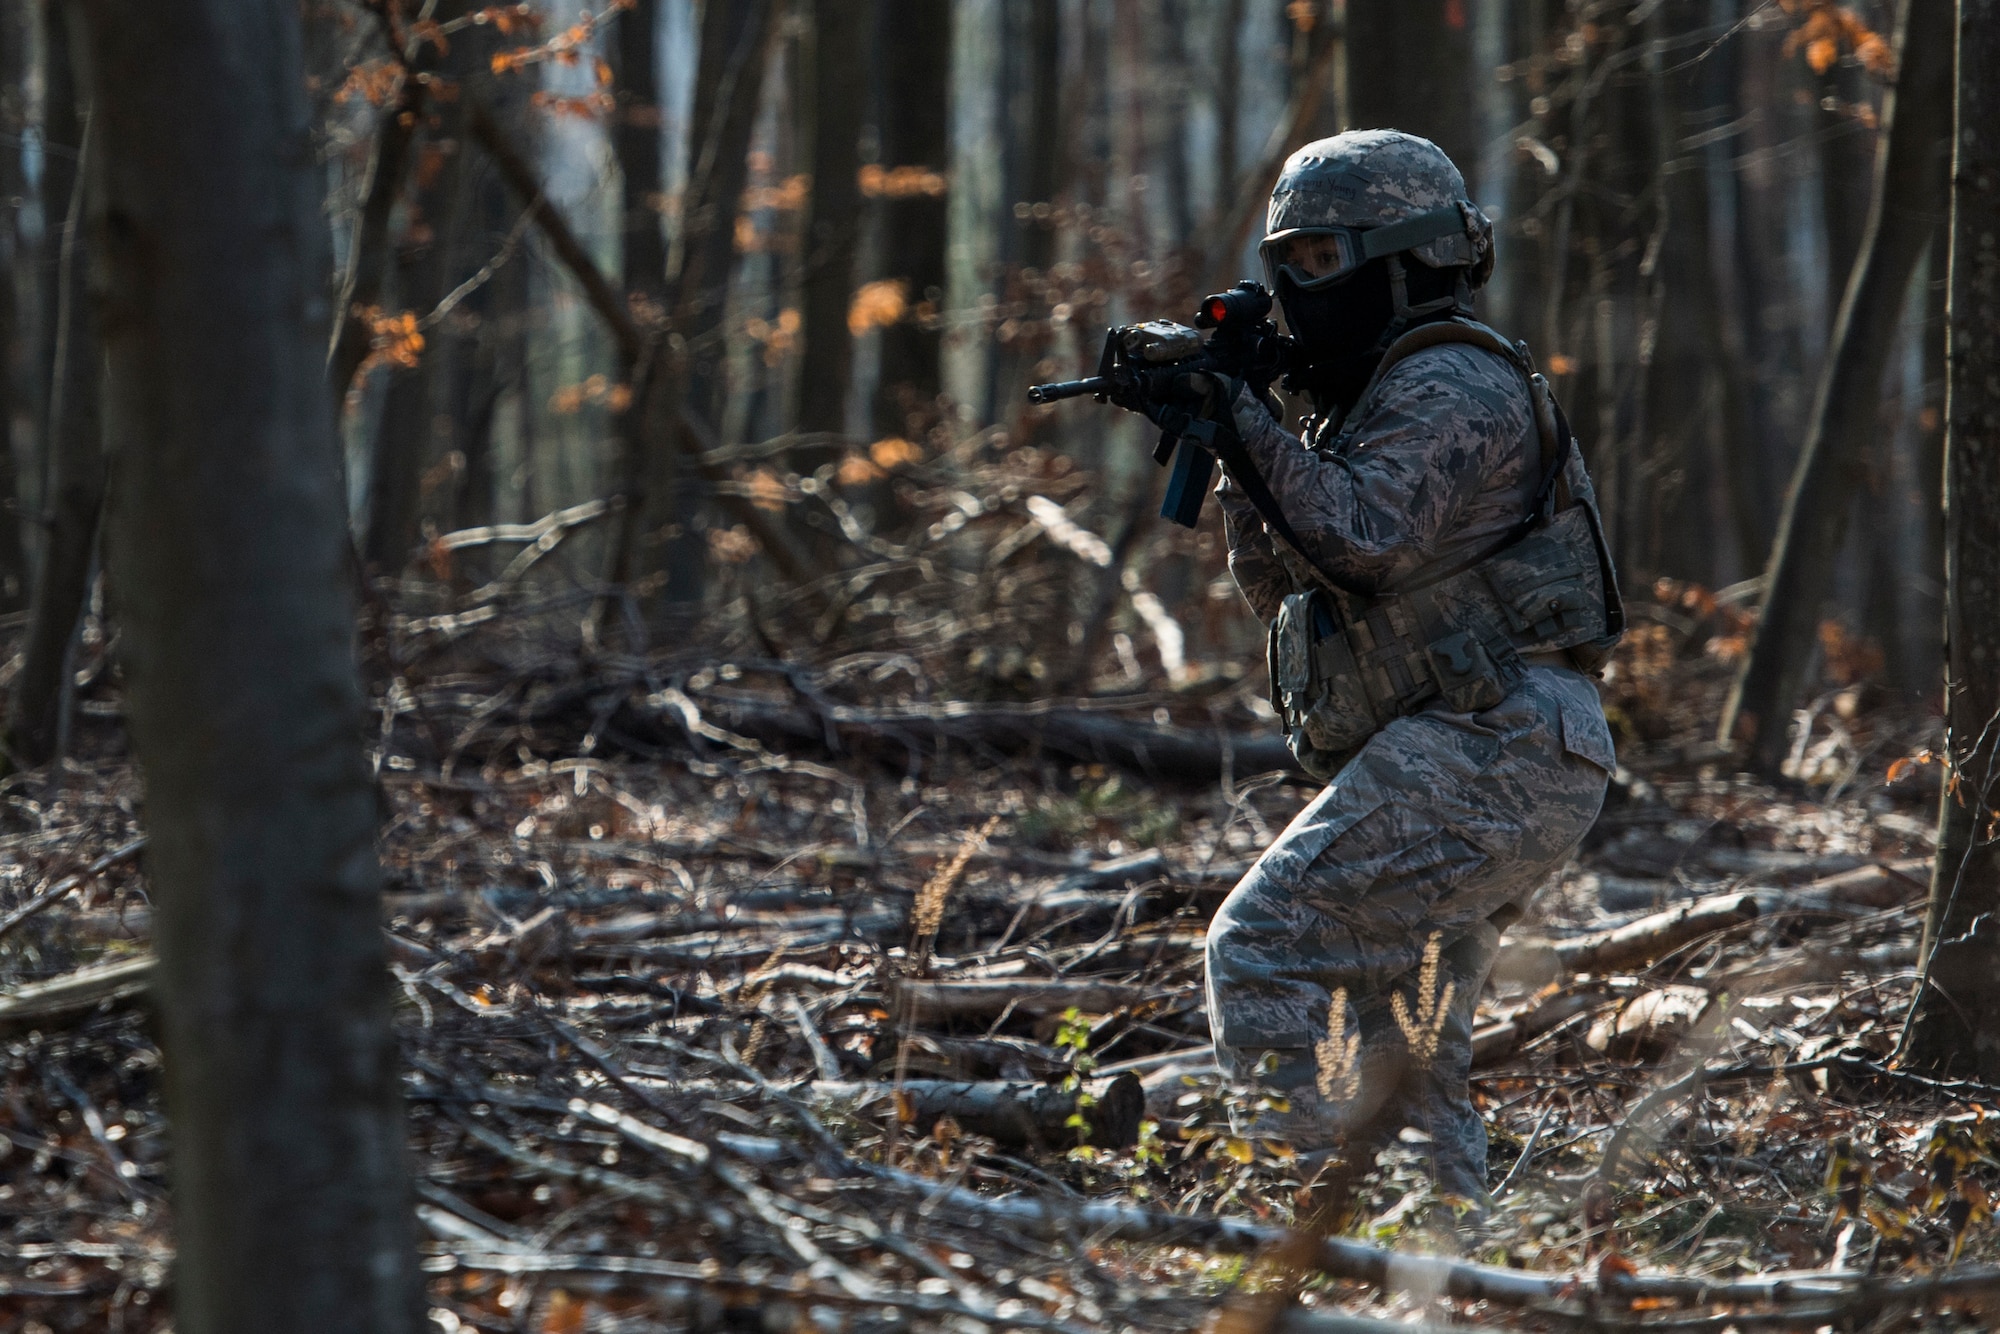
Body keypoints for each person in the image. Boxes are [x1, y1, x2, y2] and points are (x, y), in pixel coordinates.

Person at [1129, 130, 1625, 1210]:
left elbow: (1366, 540)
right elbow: (1290, 592)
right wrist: (1235, 429)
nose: (1301, 290)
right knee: (1404, 1042)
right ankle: (1439, 1260)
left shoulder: (1449, 378)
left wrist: (1249, 422)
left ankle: (1303, 1237)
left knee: (1259, 946)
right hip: (1482, 741)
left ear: (1402, 259)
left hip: (1493, 739)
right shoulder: (1360, 400)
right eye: (1287, 266)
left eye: (1321, 262)